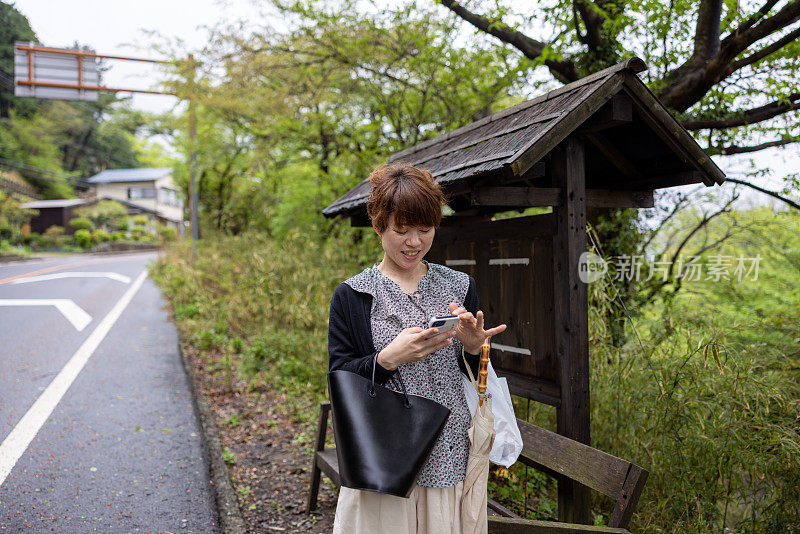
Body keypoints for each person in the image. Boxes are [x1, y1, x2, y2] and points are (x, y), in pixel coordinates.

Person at [327, 162, 506, 533]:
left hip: (449, 450)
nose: (414, 242)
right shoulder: (353, 295)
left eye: (425, 230)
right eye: (402, 230)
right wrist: (388, 358)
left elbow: (471, 374)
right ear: (378, 225)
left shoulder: (458, 285)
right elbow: (340, 378)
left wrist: (474, 348)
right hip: (385, 455)